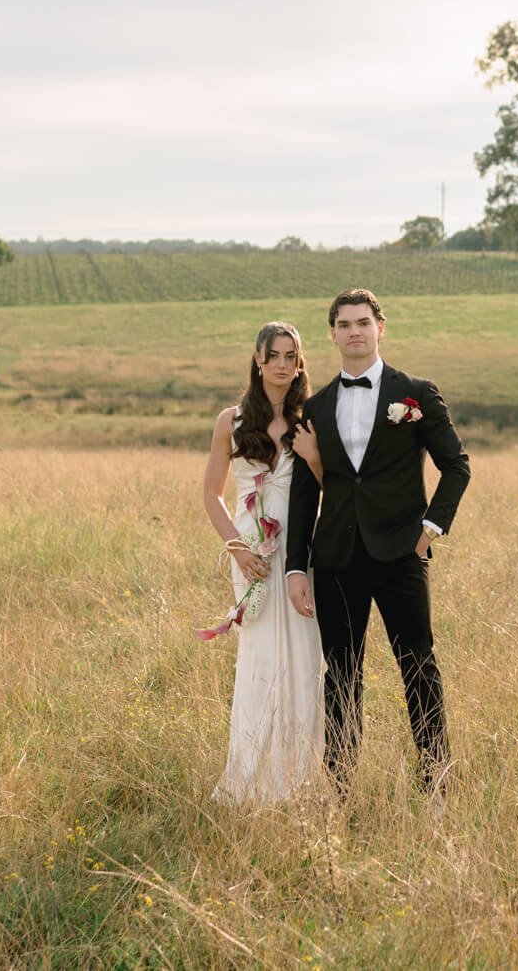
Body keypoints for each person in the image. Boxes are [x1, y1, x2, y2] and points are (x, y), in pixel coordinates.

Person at [285, 288, 470, 799]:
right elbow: (304, 495)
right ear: (333, 334)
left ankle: (437, 785)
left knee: (419, 667)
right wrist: (295, 567)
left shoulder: (416, 394)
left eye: (363, 322)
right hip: (337, 559)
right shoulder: (316, 408)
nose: (354, 332)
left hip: (401, 555)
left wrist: (430, 528)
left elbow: (456, 466)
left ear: (380, 327)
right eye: (343, 324)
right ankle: (339, 790)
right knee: (341, 676)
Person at [198, 321, 325, 803]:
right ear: (257, 359)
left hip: (300, 550)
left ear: (299, 363)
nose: (280, 364)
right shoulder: (229, 421)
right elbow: (211, 495)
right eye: (272, 354)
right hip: (251, 548)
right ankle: (250, 775)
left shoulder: (310, 419)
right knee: (260, 656)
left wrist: (313, 458)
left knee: (304, 654)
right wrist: (238, 549)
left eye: (290, 356)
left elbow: (332, 487)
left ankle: (299, 779)